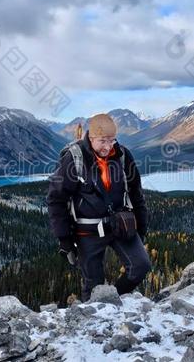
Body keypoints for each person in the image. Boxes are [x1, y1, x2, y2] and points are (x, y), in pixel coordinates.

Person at [47, 113, 151, 302]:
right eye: (103, 141)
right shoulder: (74, 158)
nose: (108, 146)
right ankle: (94, 319)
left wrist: (141, 228)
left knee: (140, 266)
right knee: (93, 284)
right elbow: (56, 199)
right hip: (87, 232)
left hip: (120, 224)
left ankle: (113, 299)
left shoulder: (123, 156)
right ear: (91, 137)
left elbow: (136, 194)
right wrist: (64, 239)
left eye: (112, 140)